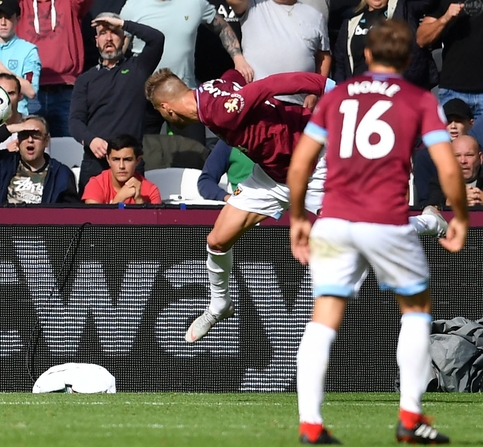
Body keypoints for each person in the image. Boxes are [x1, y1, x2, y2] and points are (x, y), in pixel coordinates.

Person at [144, 67, 448, 344]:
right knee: (217, 240)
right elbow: (234, 75)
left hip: (314, 167)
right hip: (271, 176)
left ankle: (426, 222)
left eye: (159, 112)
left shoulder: (219, 112)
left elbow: (272, 82)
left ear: (166, 108)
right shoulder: (211, 88)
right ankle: (220, 305)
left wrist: (328, 87)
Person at [286, 20, 467, 445]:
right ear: (408, 59)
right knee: (417, 308)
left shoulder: (336, 98)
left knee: (325, 315)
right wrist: (458, 214)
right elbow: (446, 167)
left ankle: (310, 423)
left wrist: (297, 218)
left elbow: (300, 165)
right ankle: (409, 417)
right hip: (386, 221)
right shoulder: (420, 100)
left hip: (333, 220)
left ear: (366, 55)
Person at [120, 0, 253, 145]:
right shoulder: (132, 6)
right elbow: (119, 48)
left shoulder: (194, 2)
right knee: (137, 157)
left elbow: (221, 27)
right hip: (143, 98)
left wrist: (238, 57)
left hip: (185, 94)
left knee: (196, 155)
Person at [69, 12, 164, 193]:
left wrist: (122, 23)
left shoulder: (138, 68)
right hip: (95, 162)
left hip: (130, 163)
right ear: (96, 40)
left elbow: (157, 39)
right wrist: (91, 140)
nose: (109, 38)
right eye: (103, 32)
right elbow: (75, 121)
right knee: (90, 220)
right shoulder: (85, 79)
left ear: (124, 38)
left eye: (114, 32)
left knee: (132, 220)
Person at [228, 0, 331, 109]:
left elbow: (324, 58)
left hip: (299, 106)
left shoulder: (316, 16)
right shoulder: (252, 5)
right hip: (258, 103)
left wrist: (315, 92)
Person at [17, 0, 93, 137]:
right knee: (28, 149)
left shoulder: (69, 3)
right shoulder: (21, 3)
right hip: (29, 92)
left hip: (65, 90)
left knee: (69, 149)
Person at [0, 115, 79, 204]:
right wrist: (10, 129)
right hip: (4, 229)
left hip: (41, 230)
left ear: (46, 141)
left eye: (36, 136)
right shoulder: (4, 164)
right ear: (18, 140)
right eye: (24, 135)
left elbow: (70, 215)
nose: (30, 140)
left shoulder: (61, 174)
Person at [332, 0, 437, 90]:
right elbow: (340, 60)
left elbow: (428, 2)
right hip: (360, 92)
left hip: (396, 90)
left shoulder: (403, 9)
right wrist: (342, 89)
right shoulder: (351, 20)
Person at [417, 0, 483, 121]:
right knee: (446, 140)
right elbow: (421, 39)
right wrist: (445, 18)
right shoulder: (444, 1)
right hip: (453, 90)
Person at [82, 134, 161, 204]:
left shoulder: (150, 191)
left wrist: (139, 201)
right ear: (108, 160)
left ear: (138, 161)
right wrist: (120, 198)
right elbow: (95, 220)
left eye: (127, 160)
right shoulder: (96, 184)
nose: (121, 166)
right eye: (116, 159)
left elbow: (153, 220)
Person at [425, 136, 483, 209]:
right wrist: (450, 202)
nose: (463, 161)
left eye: (469, 155)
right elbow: (430, 208)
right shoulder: (440, 182)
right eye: (457, 156)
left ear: (480, 158)